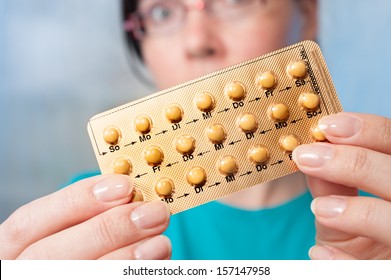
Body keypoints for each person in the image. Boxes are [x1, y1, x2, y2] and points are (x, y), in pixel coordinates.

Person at [0, 0, 390, 260]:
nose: (197, 40)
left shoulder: (380, 213)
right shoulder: (88, 223)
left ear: (307, 14)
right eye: (162, 12)